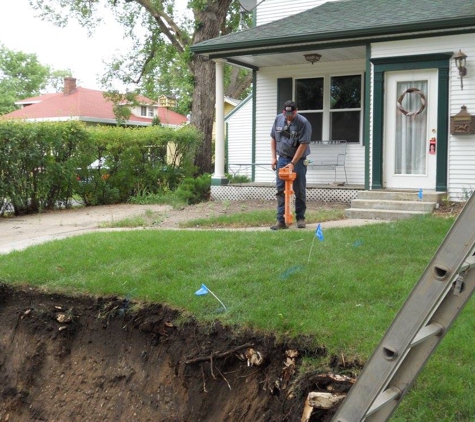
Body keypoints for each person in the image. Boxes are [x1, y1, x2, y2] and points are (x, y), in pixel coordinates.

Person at [270, 100, 312, 230]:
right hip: (282, 158)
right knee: (280, 189)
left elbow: (303, 144)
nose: (288, 116)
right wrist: (273, 158)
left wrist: (293, 163)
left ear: (296, 111)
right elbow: (273, 138)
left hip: (298, 160)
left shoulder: (303, 123)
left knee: (299, 189)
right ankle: (281, 221)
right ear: (283, 111)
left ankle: (300, 218)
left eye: (291, 114)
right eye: (286, 113)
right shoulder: (278, 119)